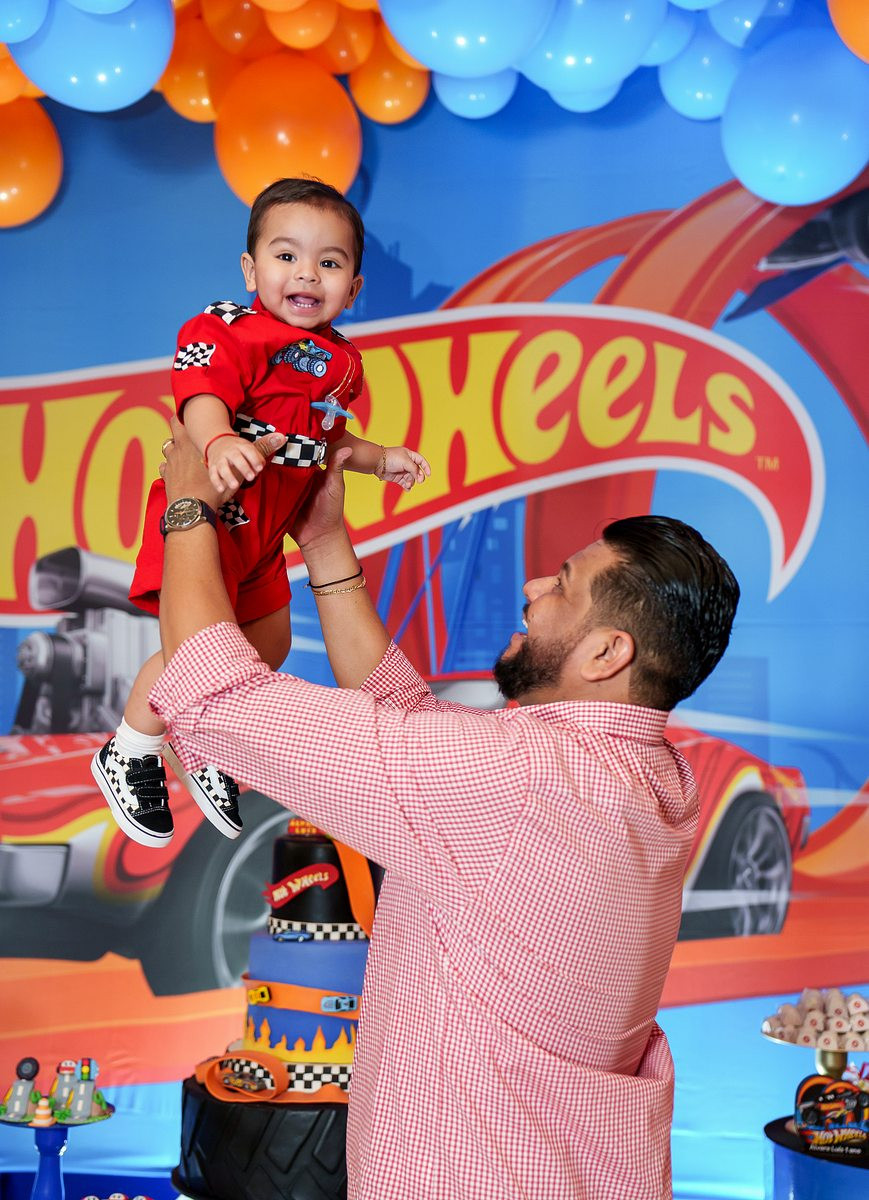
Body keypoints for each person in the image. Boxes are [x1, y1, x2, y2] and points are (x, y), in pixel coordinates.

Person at [150, 418, 739, 1200]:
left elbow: (214, 694)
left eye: (562, 586)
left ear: (606, 653)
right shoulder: (651, 778)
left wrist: (188, 508)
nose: (533, 588)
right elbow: (412, 726)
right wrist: (323, 541)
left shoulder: (522, 780)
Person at [91, 177, 429, 849]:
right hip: (212, 518)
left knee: (265, 647)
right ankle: (130, 747)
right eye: (286, 256)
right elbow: (201, 395)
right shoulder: (229, 331)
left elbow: (329, 438)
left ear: (353, 288)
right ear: (250, 270)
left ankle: (204, 738)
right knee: (197, 650)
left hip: (269, 533)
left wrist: (379, 458)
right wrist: (217, 440)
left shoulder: (339, 362)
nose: (307, 273)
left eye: (329, 262)